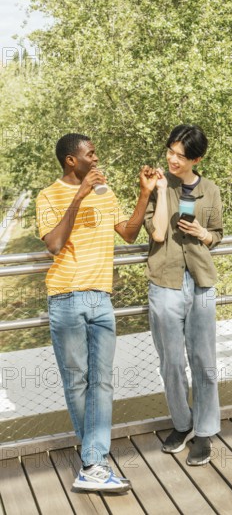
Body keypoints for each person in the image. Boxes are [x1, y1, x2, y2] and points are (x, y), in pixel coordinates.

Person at [36, 133, 158, 492]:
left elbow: (130, 233)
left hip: (102, 299)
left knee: (102, 383)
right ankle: (94, 463)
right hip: (66, 298)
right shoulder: (48, 196)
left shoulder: (107, 194)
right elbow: (55, 244)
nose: (96, 157)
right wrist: (79, 196)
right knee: (78, 382)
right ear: (71, 161)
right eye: (90, 154)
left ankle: (92, 463)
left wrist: (145, 193)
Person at [144, 124, 223, 466]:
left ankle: (204, 432)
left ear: (197, 158)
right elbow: (159, 233)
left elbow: (217, 234)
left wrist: (204, 233)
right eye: (170, 152)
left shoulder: (211, 190)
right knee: (172, 362)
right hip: (165, 281)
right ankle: (182, 423)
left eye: (180, 155)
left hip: (202, 282)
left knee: (204, 361)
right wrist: (162, 191)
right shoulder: (158, 185)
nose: (173, 159)